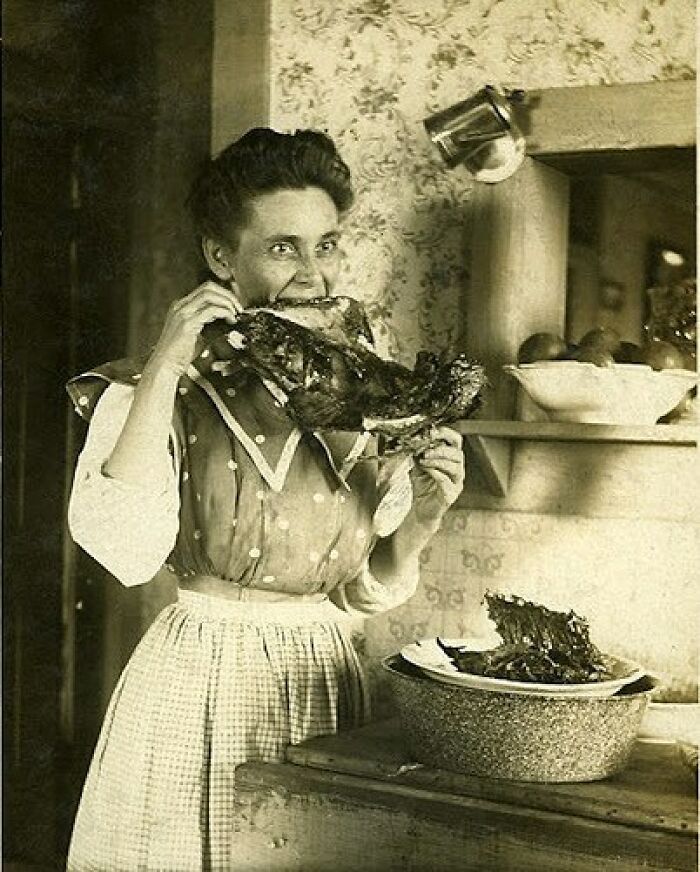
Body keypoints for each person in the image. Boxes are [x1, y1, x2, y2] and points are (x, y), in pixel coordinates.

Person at [65, 127, 465, 871]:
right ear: (222, 259)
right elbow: (124, 551)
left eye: (328, 244)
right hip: (199, 680)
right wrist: (165, 362)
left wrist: (425, 520)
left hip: (323, 674)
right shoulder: (155, 390)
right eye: (284, 247)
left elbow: (358, 589)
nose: (314, 273)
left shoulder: (364, 391)